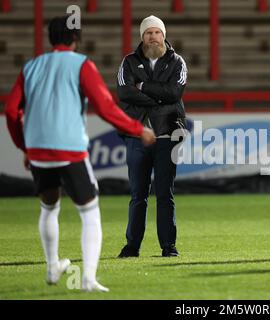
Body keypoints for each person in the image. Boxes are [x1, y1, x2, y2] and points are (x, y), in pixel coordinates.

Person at [5, 16, 156, 292]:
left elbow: (12, 111)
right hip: (70, 149)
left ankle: (52, 267)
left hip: (38, 150)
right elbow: (105, 107)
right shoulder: (81, 65)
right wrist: (138, 129)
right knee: (89, 212)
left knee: (49, 207)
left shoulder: (31, 67)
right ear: (77, 38)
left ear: (51, 38)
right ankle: (87, 278)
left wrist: (24, 147)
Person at [116, 15, 187, 258]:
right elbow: (124, 92)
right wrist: (161, 95)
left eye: (157, 32)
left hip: (167, 135)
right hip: (137, 135)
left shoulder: (177, 61)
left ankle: (169, 246)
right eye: (148, 33)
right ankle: (132, 246)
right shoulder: (128, 62)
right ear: (142, 37)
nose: (153, 36)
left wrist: (143, 87)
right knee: (138, 194)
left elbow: (175, 92)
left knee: (165, 193)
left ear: (164, 35)